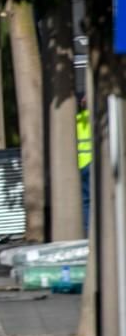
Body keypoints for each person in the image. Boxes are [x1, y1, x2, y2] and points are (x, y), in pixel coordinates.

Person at [76, 95, 91, 235]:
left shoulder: (77, 121)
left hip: (81, 164)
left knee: (86, 200)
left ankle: (88, 228)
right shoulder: (97, 120)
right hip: (96, 164)